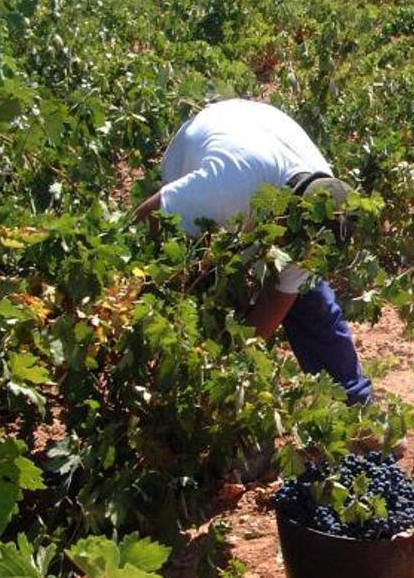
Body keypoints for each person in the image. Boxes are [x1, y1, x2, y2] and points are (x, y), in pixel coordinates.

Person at [135, 99, 374, 406]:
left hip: (262, 133)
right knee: (200, 288)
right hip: (209, 139)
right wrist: (142, 279)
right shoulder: (224, 190)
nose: (300, 256)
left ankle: (354, 406)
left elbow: (276, 303)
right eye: (296, 247)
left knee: (312, 302)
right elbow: (148, 217)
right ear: (288, 218)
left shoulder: (325, 206)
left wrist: (231, 368)